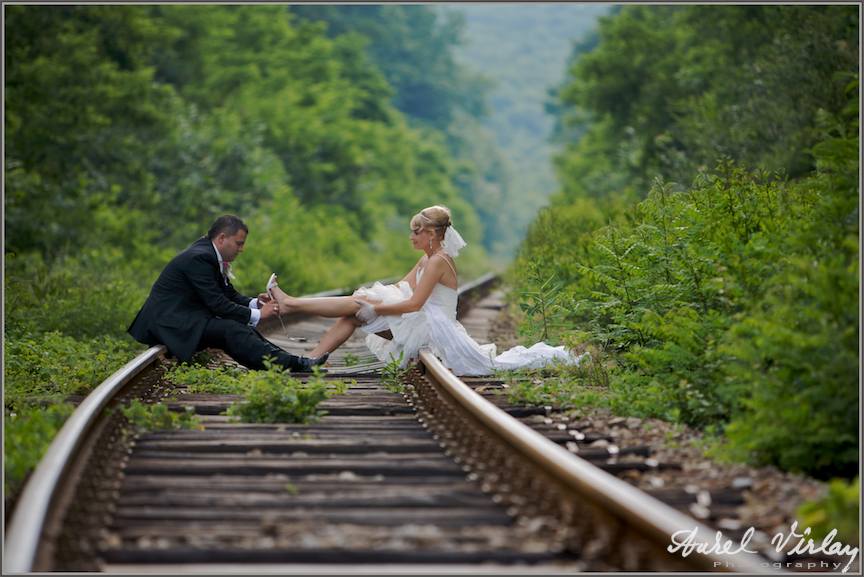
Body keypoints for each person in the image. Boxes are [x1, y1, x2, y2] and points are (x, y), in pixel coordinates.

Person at [267, 205, 587, 376]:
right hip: (420, 320)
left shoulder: (438, 262)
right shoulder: (427, 259)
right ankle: (311, 358)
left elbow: (414, 303)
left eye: (416, 231)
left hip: (433, 329)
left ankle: (292, 305)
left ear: (433, 233)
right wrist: (371, 300)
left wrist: (375, 307)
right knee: (356, 311)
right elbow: (401, 288)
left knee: (360, 307)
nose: (412, 237)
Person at [128, 215, 328, 372]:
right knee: (231, 329)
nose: (242, 249)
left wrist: (254, 304)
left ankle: (293, 362)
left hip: (184, 316)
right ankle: (293, 364)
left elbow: (228, 294)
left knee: (236, 327)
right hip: (171, 322)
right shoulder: (200, 258)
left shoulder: (208, 253)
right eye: (239, 243)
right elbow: (217, 303)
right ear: (222, 238)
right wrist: (258, 315)